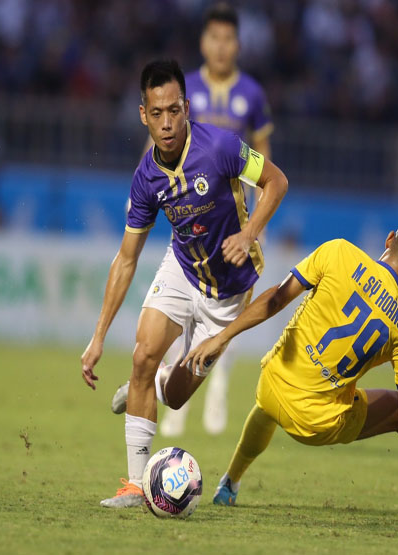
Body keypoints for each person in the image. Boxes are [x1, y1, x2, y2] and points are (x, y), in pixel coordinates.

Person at [183, 211, 398, 520]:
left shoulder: (338, 252)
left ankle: (229, 482)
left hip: (270, 386)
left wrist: (221, 337)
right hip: (316, 423)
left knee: (270, 401)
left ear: (390, 239)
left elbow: (276, 299)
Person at [80, 59, 288, 508]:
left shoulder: (221, 148)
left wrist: (249, 233)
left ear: (187, 107)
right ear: (143, 115)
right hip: (182, 268)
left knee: (175, 395)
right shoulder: (146, 179)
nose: (167, 123)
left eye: (174, 110)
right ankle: (136, 485)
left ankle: (152, 389)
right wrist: (97, 338)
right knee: (142, 356)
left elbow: (276, 181)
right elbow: (126, 258)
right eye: (157, 113)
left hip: (230, 292)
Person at [131, 2, 274, 436]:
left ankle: (213, 386)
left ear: (238, 45)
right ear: (203, 42)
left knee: (217, 318)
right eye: (214, 37)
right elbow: (156, 148)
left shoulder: (252, 93)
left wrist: (254, 224)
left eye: (228, 39)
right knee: (178, 311)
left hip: (232, 217)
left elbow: (264, 156)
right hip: (189, 215)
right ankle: (165, 389)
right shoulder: (179, 86)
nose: (220, 46)